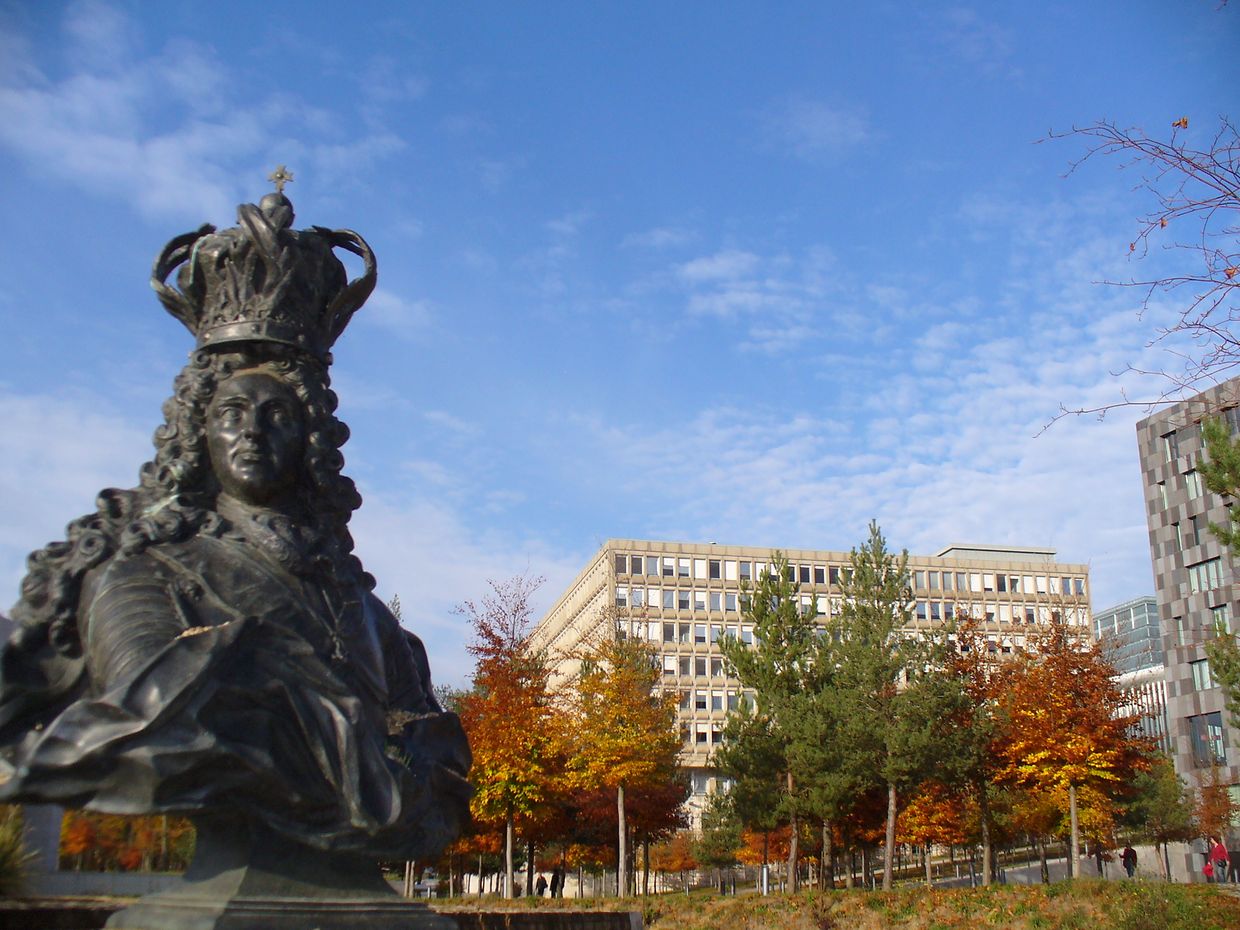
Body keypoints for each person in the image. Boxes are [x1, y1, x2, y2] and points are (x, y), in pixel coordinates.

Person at [0, 191, 471, 865]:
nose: (252, 431)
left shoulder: (371, 616)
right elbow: (146, 715)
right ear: (199, 436)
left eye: (277, 415)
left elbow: (432, 745)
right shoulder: (140, 577)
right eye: (232, 413)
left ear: (309, 441)